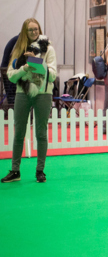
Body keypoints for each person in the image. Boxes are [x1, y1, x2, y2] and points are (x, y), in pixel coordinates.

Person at [2, 18, 57, 183]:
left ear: (39, 29)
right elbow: (11, 76)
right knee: (18, 133)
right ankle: (15, 171)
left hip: (43, 94)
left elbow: (52, 75)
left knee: (41, 133)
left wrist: (35, 61)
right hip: (22, 93)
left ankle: (40, 171)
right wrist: (24, 68)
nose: (34, 32)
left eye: (36, 29)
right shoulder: (18, 49)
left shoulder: (49, 49)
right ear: (24, 32)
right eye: (30, 30)